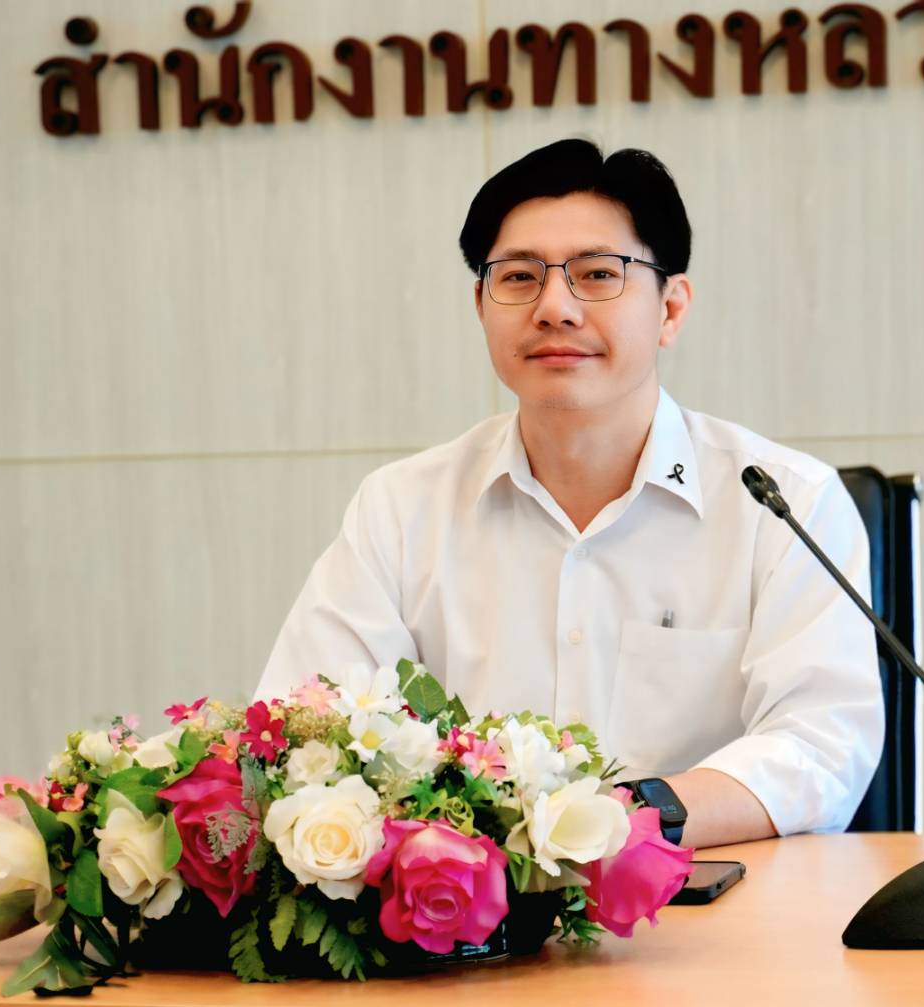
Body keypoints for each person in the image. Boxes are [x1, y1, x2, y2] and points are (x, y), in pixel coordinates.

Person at [257, 139, 883, 848]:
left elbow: (819, 746)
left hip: (718, 898)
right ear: (481, 304)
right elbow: (305, 734)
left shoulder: (782, 504)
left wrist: (607, 825)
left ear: (670, 309)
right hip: (467, 908)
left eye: (597, 274)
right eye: (519, 277)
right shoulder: (401, 509)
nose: (555, 307)